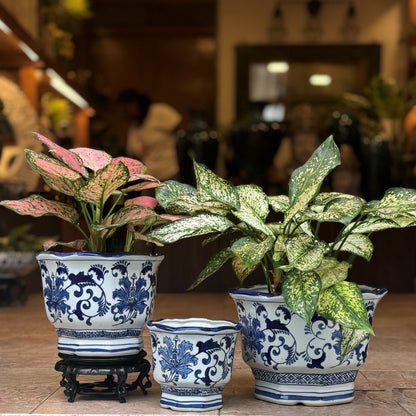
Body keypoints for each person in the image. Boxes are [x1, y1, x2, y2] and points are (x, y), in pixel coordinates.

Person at [118, 89, 182, 181]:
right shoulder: (134, 128)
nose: (126, 112)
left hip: (170, 171)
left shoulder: (158, 111)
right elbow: (132, 153)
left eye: (127, 107)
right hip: (150, 176)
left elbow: (181, 131)